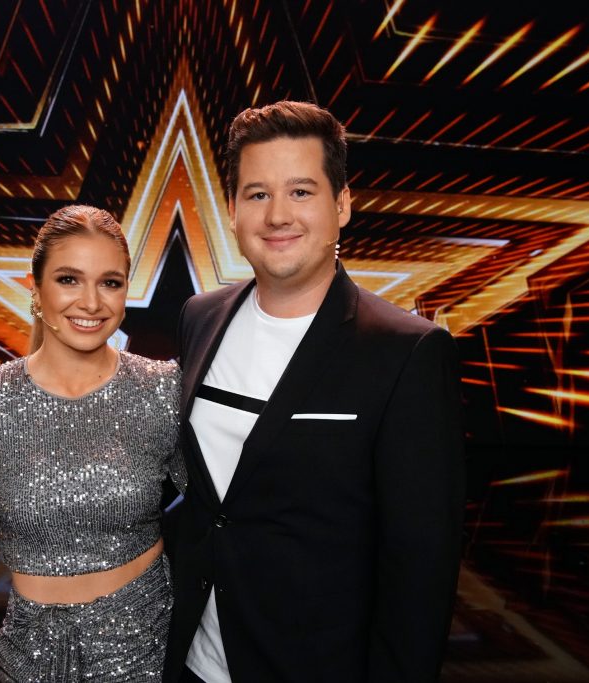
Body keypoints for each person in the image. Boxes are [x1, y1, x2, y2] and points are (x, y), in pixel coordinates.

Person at [164, 101, 465, 683]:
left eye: (301, 191)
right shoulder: (199, 316)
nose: (278, 214)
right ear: (232, 210)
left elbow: (420, 569)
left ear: (342, 204)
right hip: (192, 663)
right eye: (257, 194)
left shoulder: (407, 351)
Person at [0, 205, 185, 682]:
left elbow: (222, 519)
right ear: (36, 289)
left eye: (110, 282)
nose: (91, 302)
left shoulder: (161, 390)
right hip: (28, 658)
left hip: (145, 651)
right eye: (69, 279)